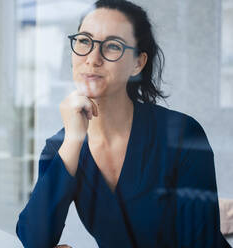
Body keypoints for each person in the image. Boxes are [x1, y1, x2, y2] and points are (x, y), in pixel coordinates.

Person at [16, 0, 231, 247]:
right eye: (84, 41)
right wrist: (73, 140)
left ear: (137, 63)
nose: (92, 59)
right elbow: (34, 239)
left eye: (112, 46)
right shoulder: (61, 148)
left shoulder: (182, 134)